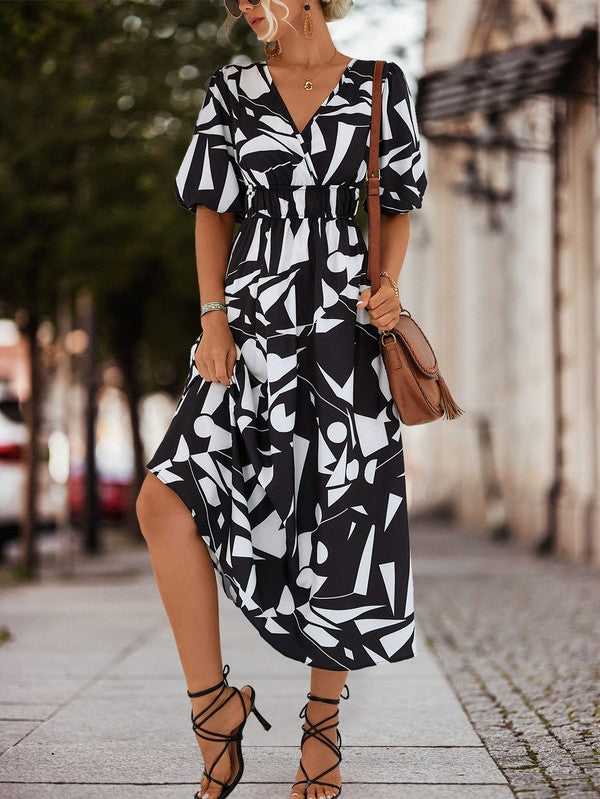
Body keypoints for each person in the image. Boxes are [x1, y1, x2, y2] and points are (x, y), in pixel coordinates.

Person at [136, 1, 427, 798]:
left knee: (342, 517)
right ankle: (215, 706)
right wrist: (213, 319)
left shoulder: (379, 86)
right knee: (164, 497)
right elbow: (211, 210)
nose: (241, 6)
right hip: (251, 332)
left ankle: (322, 727)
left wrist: (390, 286)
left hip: (346, 335)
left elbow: (396, 205)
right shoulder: (231, 89)